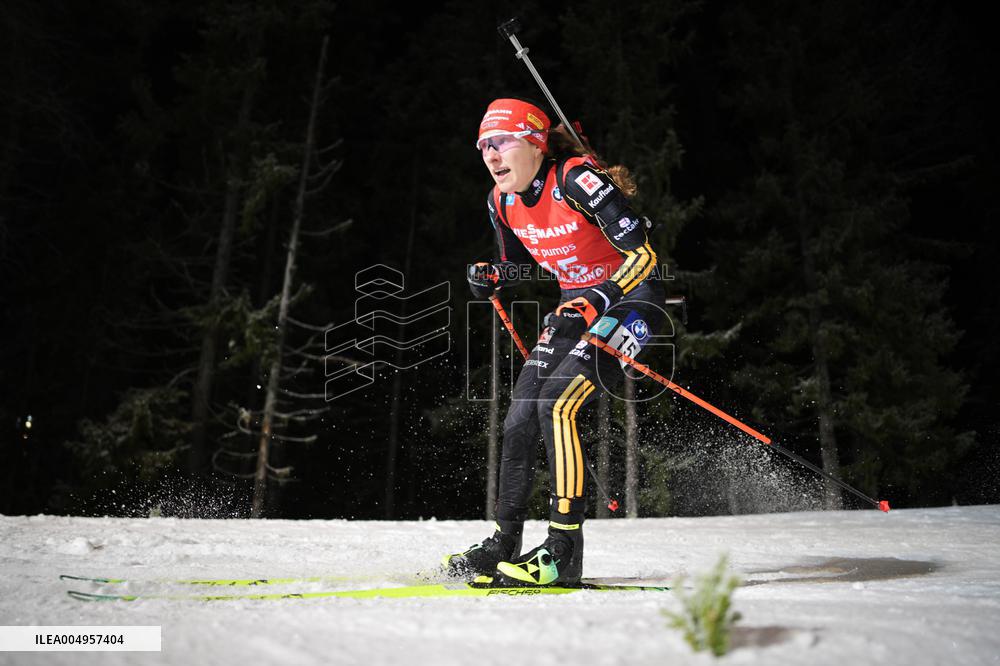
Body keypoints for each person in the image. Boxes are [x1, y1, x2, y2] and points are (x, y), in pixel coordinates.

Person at [443, 97, 666, 586]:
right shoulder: (500, 201)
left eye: (501, 142)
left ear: (535, 143)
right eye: (484, 145)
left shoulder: (577, 180)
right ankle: (504, 543)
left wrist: (597, 300)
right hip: (574, 307)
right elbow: (524, 265)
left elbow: (646, 256)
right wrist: (494, 275)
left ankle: (563, 551)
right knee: (522, 410)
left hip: (632, 301)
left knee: (556, 404)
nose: (491, 155)